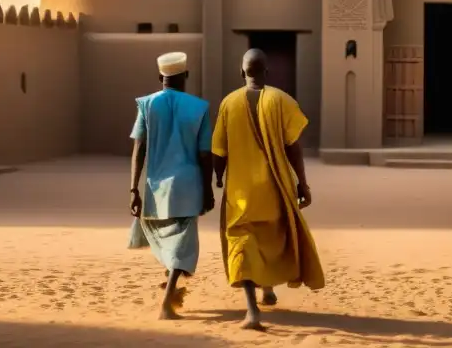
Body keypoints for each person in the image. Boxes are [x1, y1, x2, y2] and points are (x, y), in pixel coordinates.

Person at [212, 48, 325, 330]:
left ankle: (252, 310)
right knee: (271, 240)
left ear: (242, 72)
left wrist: (217, 177)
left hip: (241, 193)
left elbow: (218, 150)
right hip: (275, 189)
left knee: (243, 244)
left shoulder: (229, 103)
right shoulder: (281, 100)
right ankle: (268, 289)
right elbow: (293, 147)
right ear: (267, 72)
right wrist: (302, 182)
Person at [128, 51, 215, 320]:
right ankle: (167, 302)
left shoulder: (147, 105)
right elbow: (204, 154)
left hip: (157, 187)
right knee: (183, 244)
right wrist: (209, 188)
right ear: (185, 75)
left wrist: (134, 189)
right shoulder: (199, 107)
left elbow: (139, 149)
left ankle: (170, 282)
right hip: (189, 186)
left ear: (160, 77)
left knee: (169, 238)